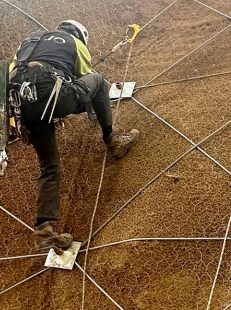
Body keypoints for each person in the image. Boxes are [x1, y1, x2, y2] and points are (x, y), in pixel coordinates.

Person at [9, 19, 139, 254]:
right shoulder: (73, 42)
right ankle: (112, 140)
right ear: (80, 34)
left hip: (23, 107)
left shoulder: (28, 42)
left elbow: (12, 74)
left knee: (49, 166)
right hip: (54, 95)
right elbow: (84, 75)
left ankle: (44, 229)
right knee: (98, 81)